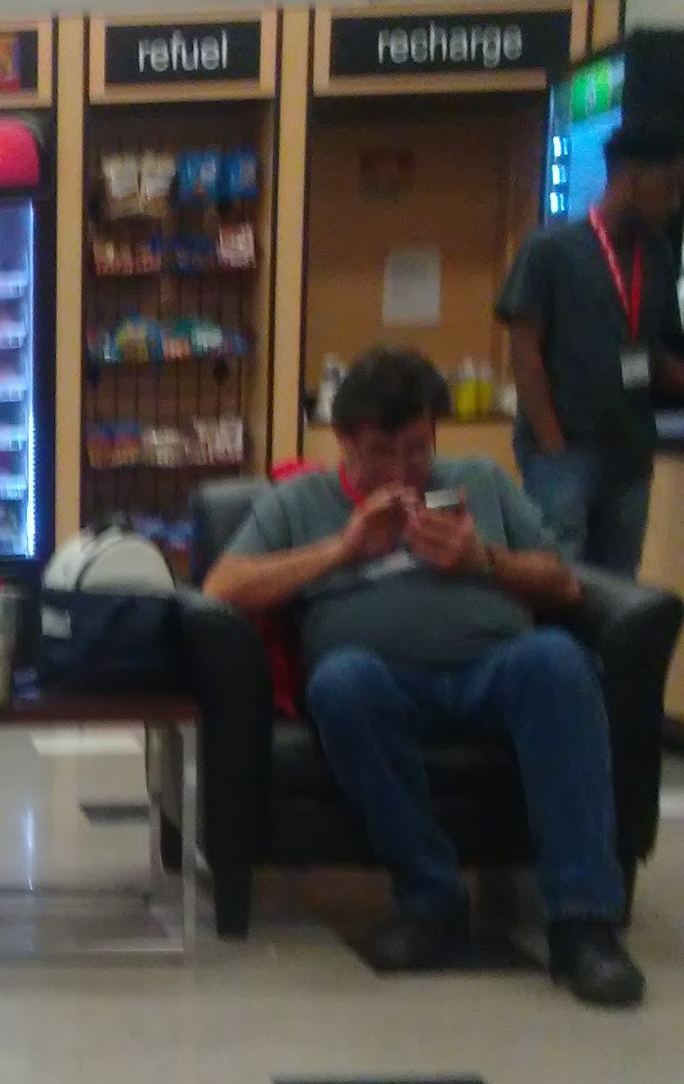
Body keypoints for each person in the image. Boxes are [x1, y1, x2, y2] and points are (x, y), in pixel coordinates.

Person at [203, 346, 641, 1007]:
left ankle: (585, 924)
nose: (402, 472)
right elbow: (222, 587)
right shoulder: (303, 502)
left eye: (417, 449)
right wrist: (342, 549)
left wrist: (482, 559)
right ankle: (430, 898)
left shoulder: (479, 482)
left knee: (558, 662)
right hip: (379, 681)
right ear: (344, 441)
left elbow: (563, 583)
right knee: (342, 683)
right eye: (381, 453)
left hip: (495, 671)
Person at [497, 118, 684, 575]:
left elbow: (652, 351)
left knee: (618, 589)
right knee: (560, 578)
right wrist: (553, 447)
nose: (675, 202)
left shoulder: (657, 254)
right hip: (566, 451)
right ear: (633, 178)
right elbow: (524, 353)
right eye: (670, 186)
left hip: (630, 455)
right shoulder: (550, 250)